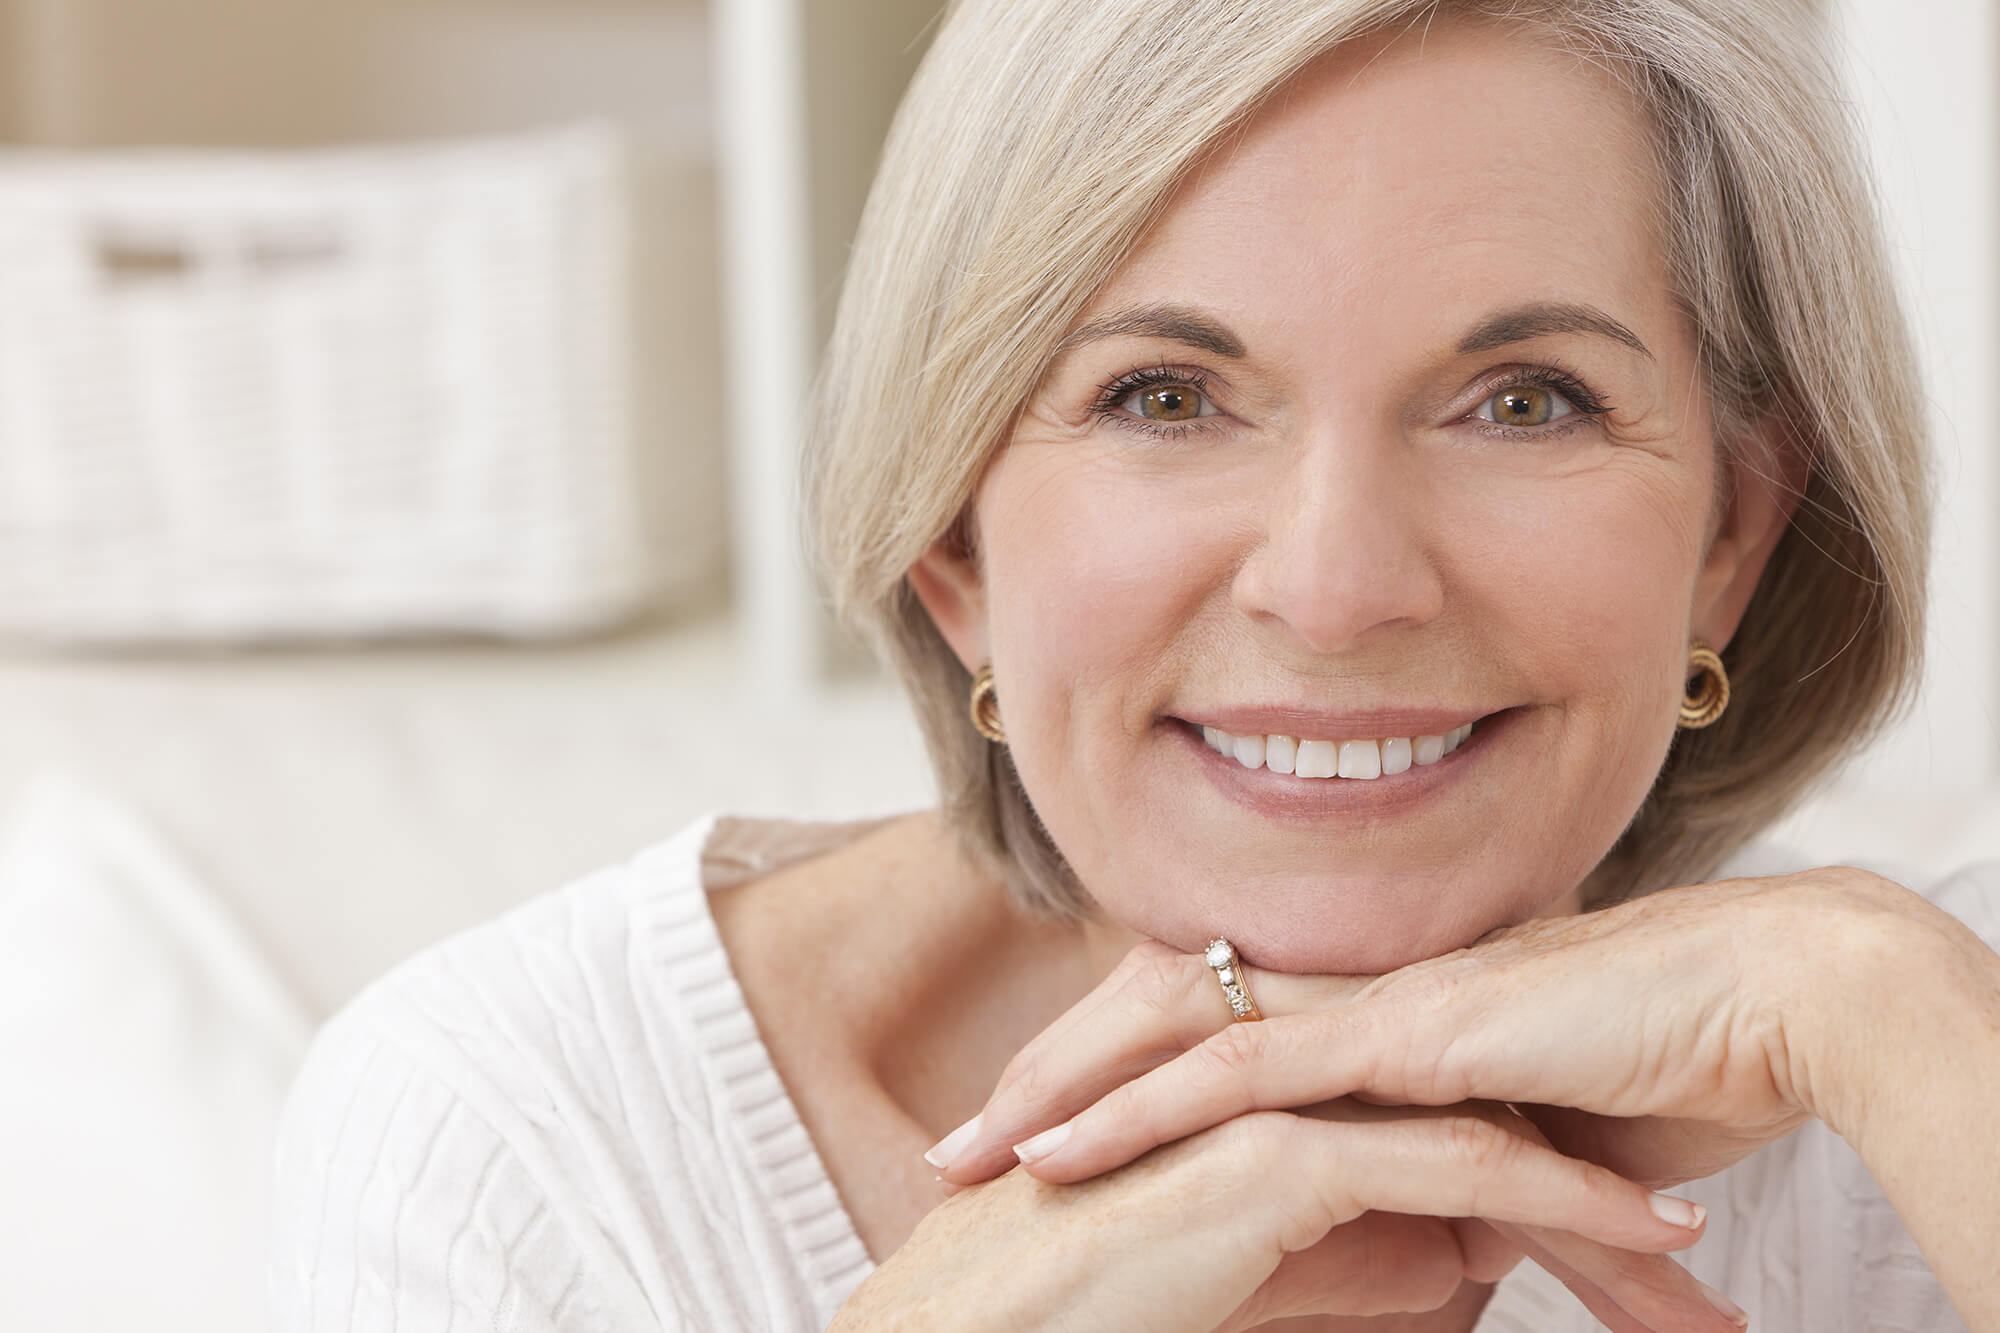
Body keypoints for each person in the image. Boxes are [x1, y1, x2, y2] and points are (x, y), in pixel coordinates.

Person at [268, 0, 2000, 1329]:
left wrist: (1898, 1008)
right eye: (1163, 398)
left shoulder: (1910, 1083)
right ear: (952, 546)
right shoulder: (517, 1145)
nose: (1334, 589)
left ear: (1732, 537)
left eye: (1524, 399)